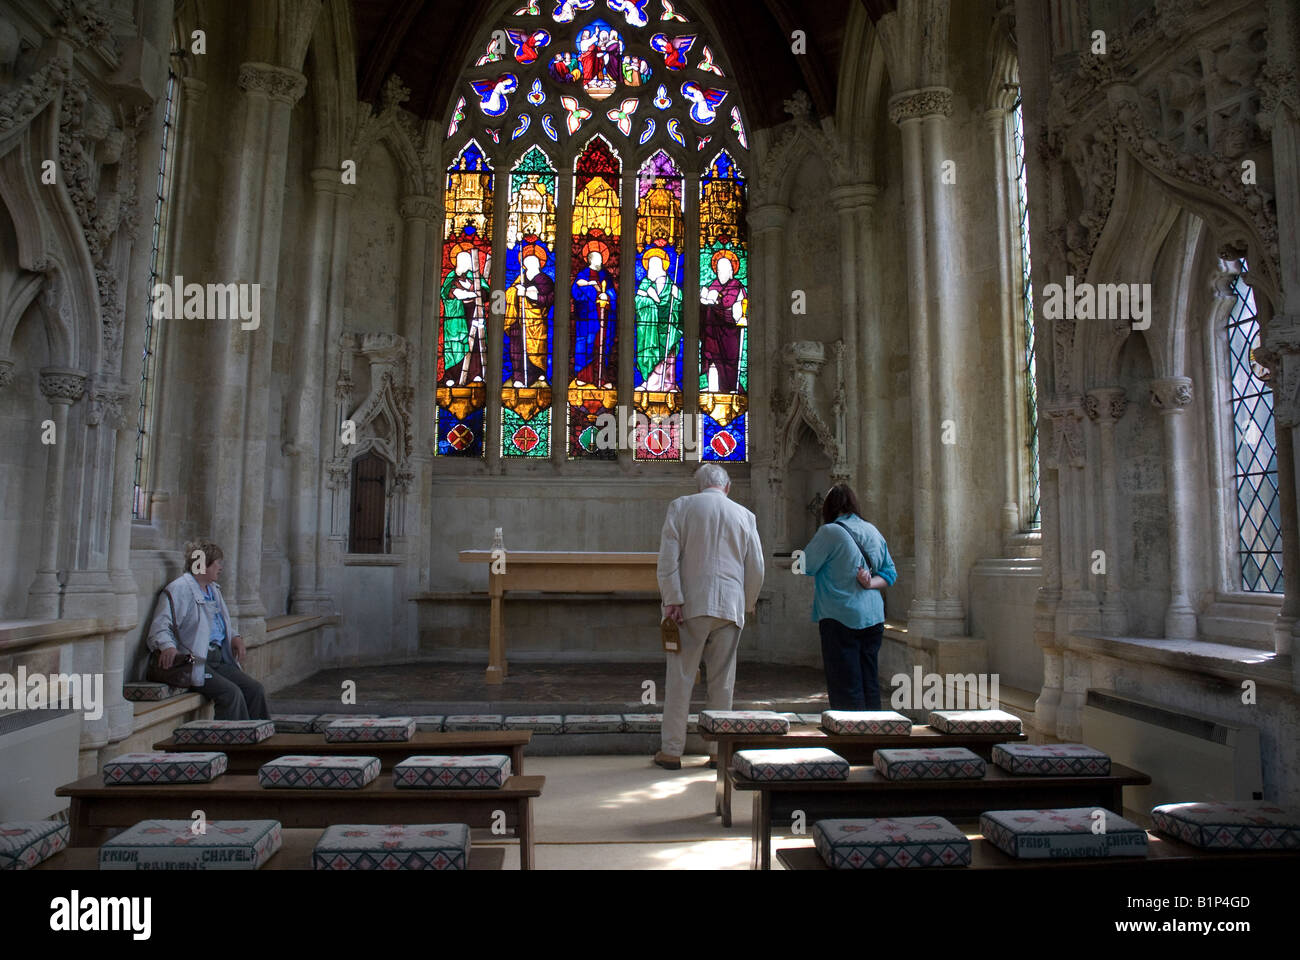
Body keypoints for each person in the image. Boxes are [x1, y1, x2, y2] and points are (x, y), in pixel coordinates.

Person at [655, 463, 764, 769]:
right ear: (727, 487)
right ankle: (717, 751)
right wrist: (747, 603)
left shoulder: (682, 507)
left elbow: (668, 559)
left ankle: (672, 751)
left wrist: (672, 599)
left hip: (690, 606)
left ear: (699, 487)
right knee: (723, 681)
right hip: (730, 607)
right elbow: (756, 566)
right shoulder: (744, 515)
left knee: (680, 677)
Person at [145, 539, 272, 720]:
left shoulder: (213, 590)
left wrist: (234, 637)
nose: (220, 568)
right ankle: (231, 744)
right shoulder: (179, 589)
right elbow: (160, 626)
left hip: (217, 658)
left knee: (255, 689)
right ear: (203, 565)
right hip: (193, 661)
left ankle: (258, 740)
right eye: (217, 563)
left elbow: (219, 624)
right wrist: (167, 646)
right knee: (231, 694)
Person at [801, 484, 897, 710]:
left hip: (840, 617)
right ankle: (874, 735)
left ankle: (850, 742)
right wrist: (870, 582)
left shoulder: (830, 532)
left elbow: (804, 566)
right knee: (869, 682)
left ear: (829, 507)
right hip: (873, 617)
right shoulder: (872, 530)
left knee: (846, 686)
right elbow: (890, 573)